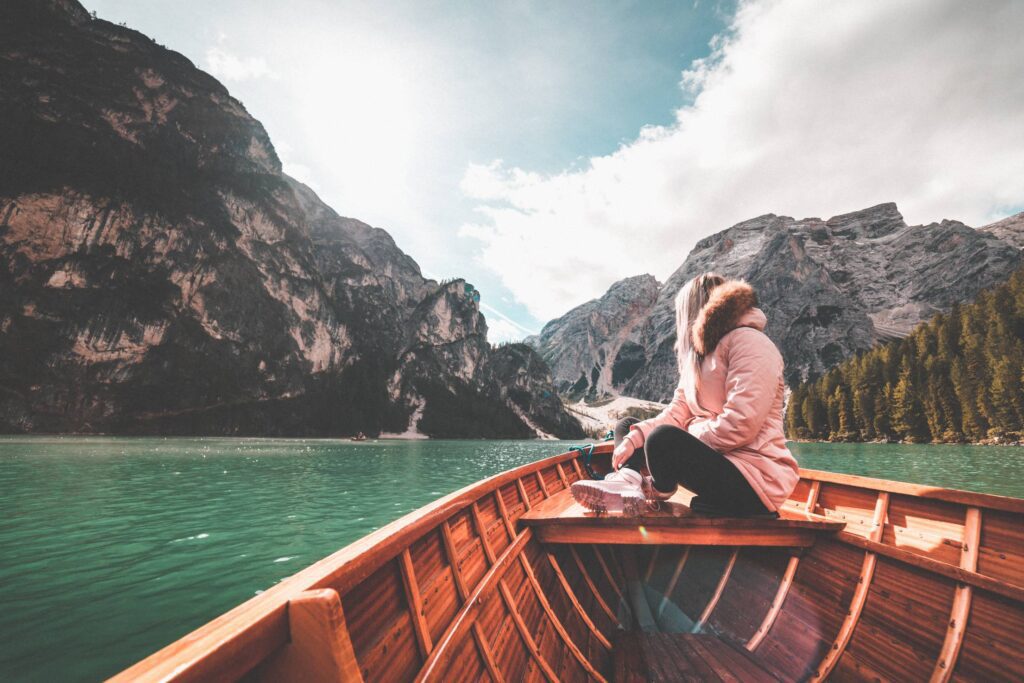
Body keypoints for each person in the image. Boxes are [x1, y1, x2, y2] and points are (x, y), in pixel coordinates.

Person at [570, 273, 799, 517]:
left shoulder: (751, 342)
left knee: (663, 439)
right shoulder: (699, 360)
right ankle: (628, 480)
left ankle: (650, 487)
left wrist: (689, 432)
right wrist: (634, 439)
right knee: (628, 427)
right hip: (724, 464)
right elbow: (676, 413)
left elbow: (742, 423)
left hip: (755, 477)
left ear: (695, 311)